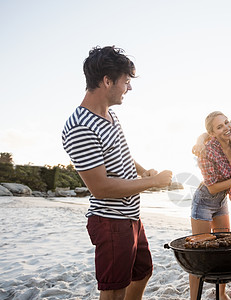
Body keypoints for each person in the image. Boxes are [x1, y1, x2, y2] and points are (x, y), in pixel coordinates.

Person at [61, 46, 172, 300]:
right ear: (107, 81)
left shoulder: (110, 115)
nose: (129, 88)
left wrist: (143, 171)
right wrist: (152, 183)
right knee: (113, 291)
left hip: (131, 216)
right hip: (110, 221)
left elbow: (121, 153)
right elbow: (100, 187)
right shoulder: (80, 126)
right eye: (126, 82)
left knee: (143, 271)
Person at [189, 111, 231, 300]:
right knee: (198, 254)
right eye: (220, 127)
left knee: (222, 248)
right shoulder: (207, 150)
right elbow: (211, 188)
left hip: (222, 201)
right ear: (213, 133)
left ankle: (222, 294)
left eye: (226, 123)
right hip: (204, 201)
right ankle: (194, 298)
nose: (226, 127)